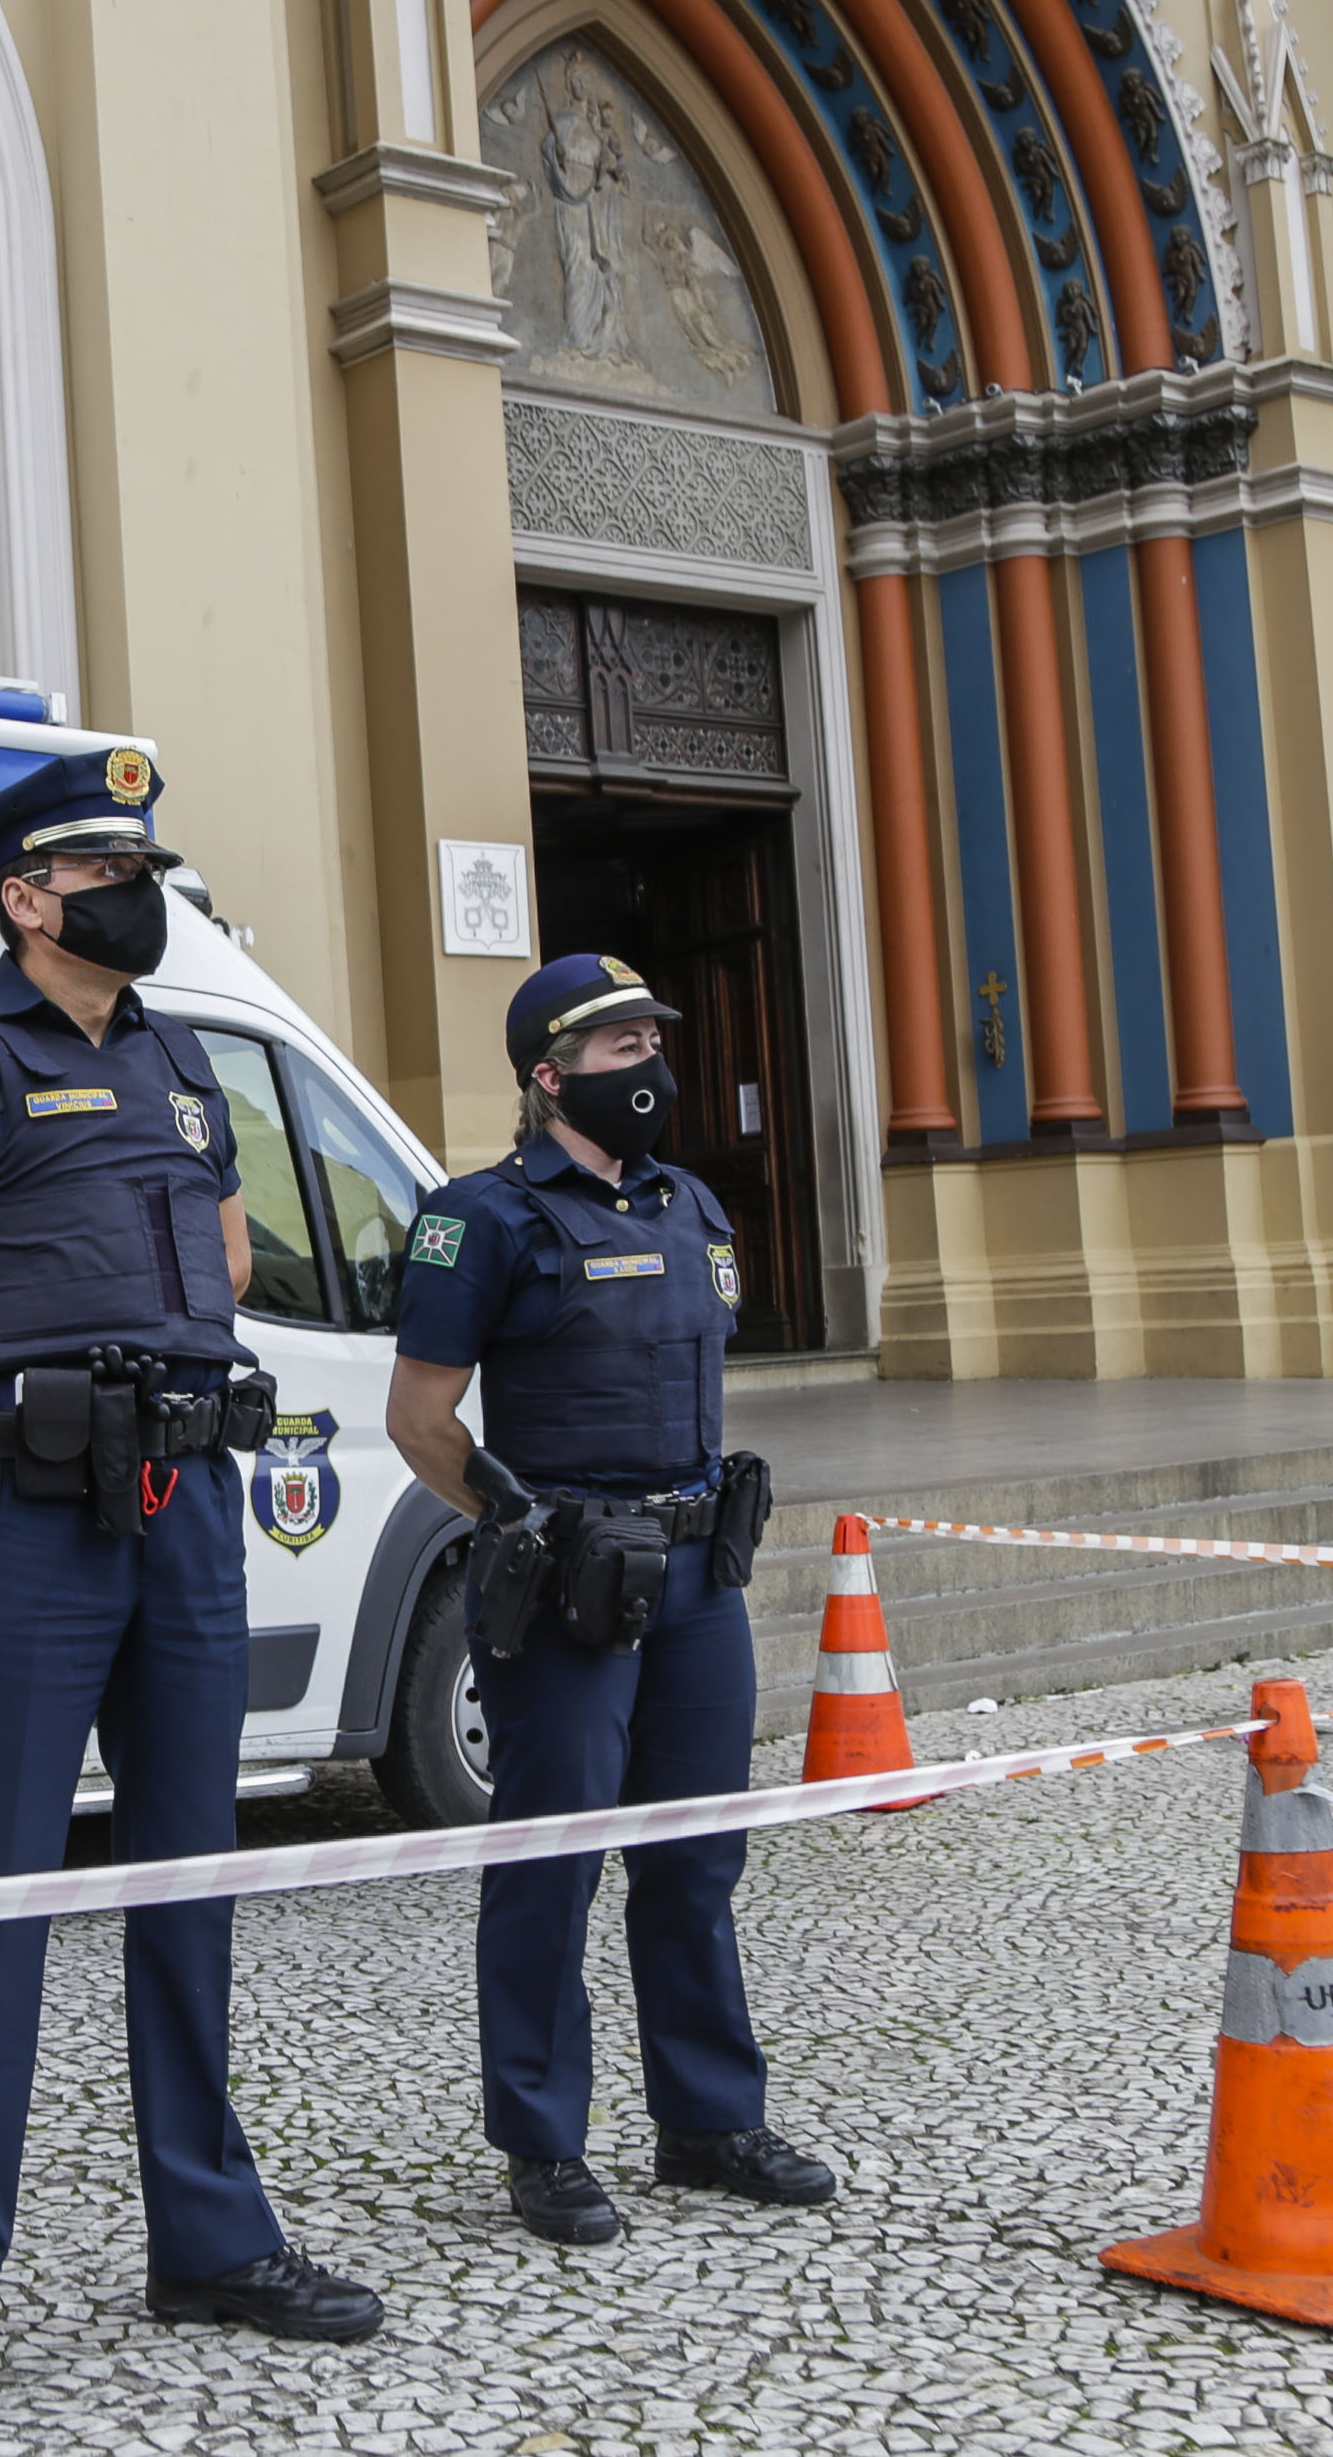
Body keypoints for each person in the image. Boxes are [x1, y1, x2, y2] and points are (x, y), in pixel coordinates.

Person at [0, 747, 383, 2433]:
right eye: (108, 868)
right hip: (26, 1516)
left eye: (147, 863)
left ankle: (212, 2241)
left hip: (186, 1501)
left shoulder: (183, 1057)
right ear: (28, 899)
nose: (143, 888)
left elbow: (237, 1254)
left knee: (192, 1884)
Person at [380, 952, 838, 2247]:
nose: (651, 1063)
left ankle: (707, 2122)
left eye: (655, 1038)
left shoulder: (694, 1205)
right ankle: (544, 2142)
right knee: (551, 1864)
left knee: (695, 1858)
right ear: (548, 1074)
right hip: (572, 1583)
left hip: (697, 1574)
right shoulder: (484, 1219)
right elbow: (419, 1422)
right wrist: (522, 1526)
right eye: (619, 1046)